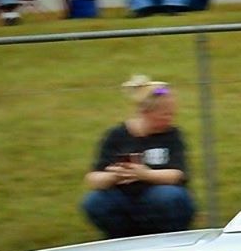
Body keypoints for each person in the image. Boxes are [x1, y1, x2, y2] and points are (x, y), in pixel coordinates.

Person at [83, 77, 195, 239]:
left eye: (172, 114)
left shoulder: (172, 135)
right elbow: (93, 179)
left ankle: (168, 239)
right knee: (96, 201)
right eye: (165, 115)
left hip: (158, 199)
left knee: (169, 196)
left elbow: (177, 175)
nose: (170, 119)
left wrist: (145, 174)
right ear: (145, 112)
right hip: (123, 198)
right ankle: (120, 239)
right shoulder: (116, 135)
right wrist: (116, 176)